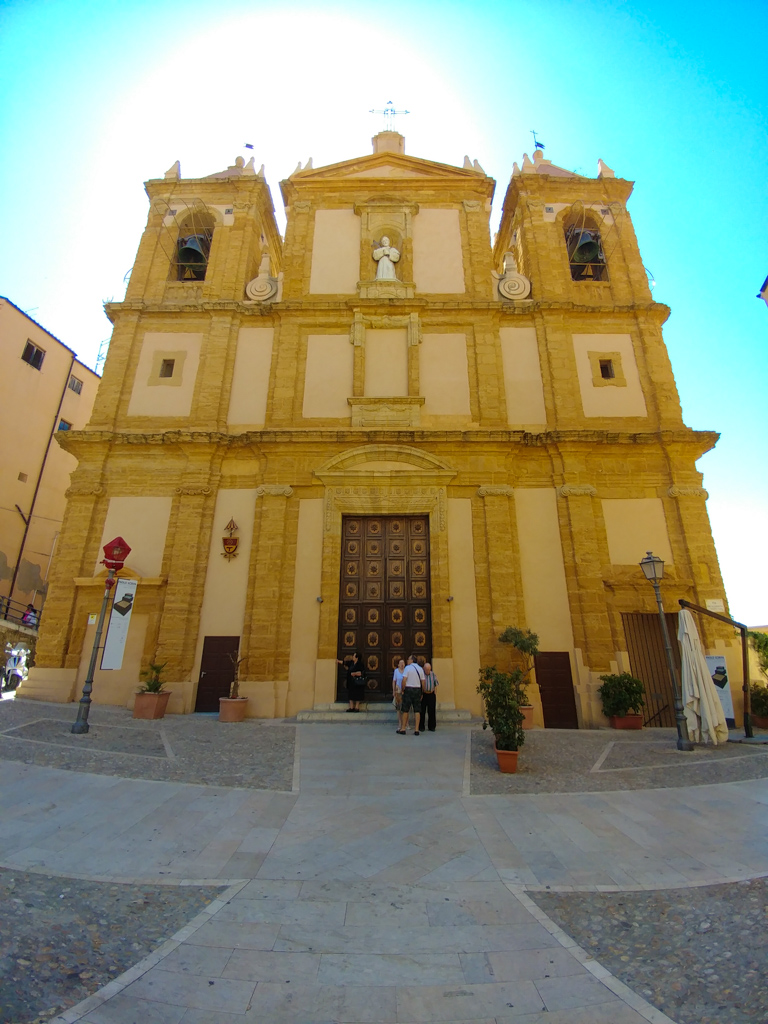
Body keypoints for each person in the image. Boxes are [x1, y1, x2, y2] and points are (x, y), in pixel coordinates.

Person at [400, 654, 425, 734]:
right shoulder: (420, 669)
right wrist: (422, 692)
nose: (407, 661)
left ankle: (403, 728)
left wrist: (403, 689)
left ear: (411, 660)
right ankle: (416, 729)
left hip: (408, 689)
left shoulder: (407, 668)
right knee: (417, 710)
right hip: (417, 689)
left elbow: (404, 680)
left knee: (405, 710)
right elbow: (423, 682)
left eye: (408, 659)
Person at [419, 662, 439, 732]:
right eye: (426, 669)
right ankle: (421, 726)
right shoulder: (422, 675)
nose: (427, 671)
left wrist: (435, 692)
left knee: (432, 711)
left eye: (428, 669)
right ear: (424, 669)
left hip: (431, 694)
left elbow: (436, 683)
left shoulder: (433, 674)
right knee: (422, 711)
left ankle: (432, 726)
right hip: (424, 694)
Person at [393, 658, 406, 734]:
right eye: (400, 663)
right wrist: (394, 691)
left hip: (405, 691)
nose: (402, 664)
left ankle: (406, 723)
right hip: (398, 691)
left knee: (405, 708)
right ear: (398, 665)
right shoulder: (396, 671)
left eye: (403, 663)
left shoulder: (406, 671)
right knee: (398, 708)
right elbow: (394, 681)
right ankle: (400, 723)